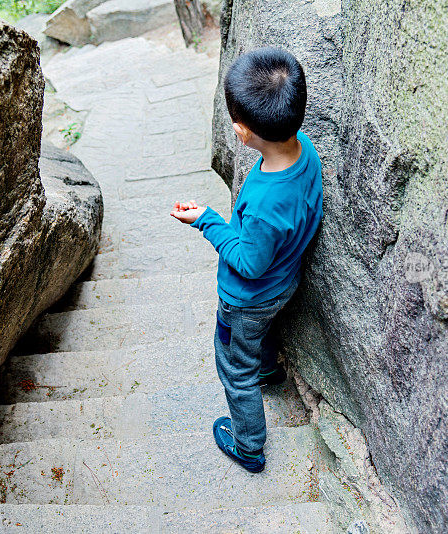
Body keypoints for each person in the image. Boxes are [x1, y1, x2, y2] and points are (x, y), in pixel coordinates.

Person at [169, 47, 323, 473]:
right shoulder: (304, 150)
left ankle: (249, 444)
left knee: (234, 369)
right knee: (263, 329)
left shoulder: (264, 205)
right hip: (283, 283)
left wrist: (207, 221)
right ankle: (268, 370)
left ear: (241, 130)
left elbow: (250, 263)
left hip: (247, 299)